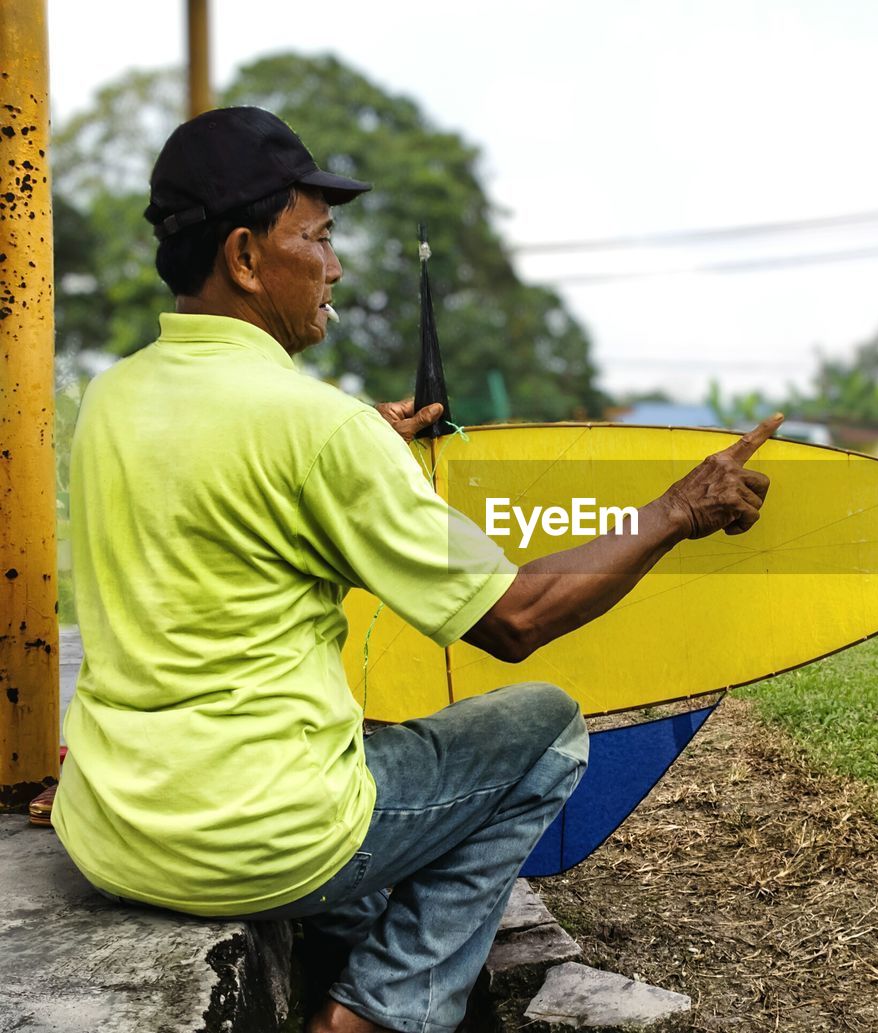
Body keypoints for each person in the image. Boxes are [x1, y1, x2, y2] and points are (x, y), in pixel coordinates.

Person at [51, 107, 780, 1033]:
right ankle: (376, 1014)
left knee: (376, 792)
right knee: (547, 728)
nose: (336, 266)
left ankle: (352, 961)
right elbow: (516, 617)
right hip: (254, 836)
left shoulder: (111, 398)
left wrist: (364, 459)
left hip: (113, 829)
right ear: (243, 256)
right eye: (317, 237)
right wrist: (678, 510)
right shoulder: (320, 430)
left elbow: (228, 524)